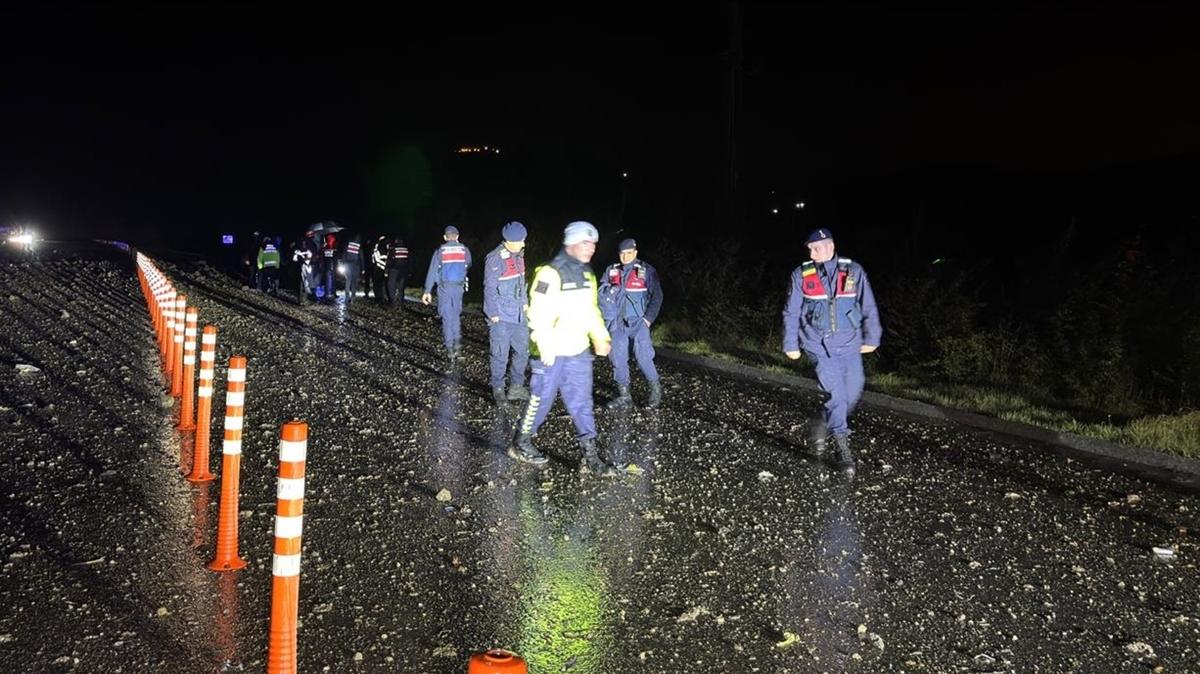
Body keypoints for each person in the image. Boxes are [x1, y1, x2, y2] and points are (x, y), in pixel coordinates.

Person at [510, 221, 618, 476]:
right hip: (551, 352)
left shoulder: (587, 274)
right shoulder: (550, 273)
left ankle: (590, 458)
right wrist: (544, 344)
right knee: (541, 399)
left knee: (582, 402)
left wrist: (600, 336)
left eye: (593, 243)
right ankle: (520, 442)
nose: (591, 248)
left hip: (578, 350)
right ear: (571, 243)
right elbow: (537, 312)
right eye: (585, 242)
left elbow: (591, 310)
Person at [782, 227, 882, 477]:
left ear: (830, 246)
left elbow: (867, 304)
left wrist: (873, 336)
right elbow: (791, 311)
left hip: (849, 343)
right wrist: (790, 344)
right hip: (817, 343)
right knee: (837, 394)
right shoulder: (801, 275)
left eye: (816, 248)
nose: (812, 253)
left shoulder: (853, 271)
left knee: (853, 389)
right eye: (810, 249)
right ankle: (841, 446)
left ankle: (821, 424)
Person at [599, 238, 664, 409]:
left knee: (643, 356)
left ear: (635, 253)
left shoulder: (646, 271)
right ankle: (624, 396)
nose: (626, 257)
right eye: (622, 253)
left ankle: (655, 389)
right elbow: (601, 295)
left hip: (638, 321)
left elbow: (657, 296)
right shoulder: (612, 271)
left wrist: (647, 320)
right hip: (617, 323)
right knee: (618, 358)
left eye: (629, 253)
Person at [483, 221, 531, 405]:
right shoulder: (495, 258)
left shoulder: (519, 255)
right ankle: (498, 388)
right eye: (521, 241)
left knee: (522, 351)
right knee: (500, 353)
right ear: (510, 241)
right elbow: (489, 288)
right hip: (501, 316)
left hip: (519, 314)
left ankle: (516, 387)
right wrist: (492, 313)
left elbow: (521, 283)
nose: (524, 244)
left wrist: (525, 304)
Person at [422, 226, 472, 360]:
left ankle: (450, 350)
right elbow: (469, 264)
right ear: (457, 236)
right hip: (459, 287)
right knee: (455, 316)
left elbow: (432, 271)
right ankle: (458, 348)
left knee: (446, 317)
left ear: (445, 237)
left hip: (445, 288)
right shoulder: (464, 250)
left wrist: (427, 290)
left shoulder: (440, 251)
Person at [340, 234, 364, 305]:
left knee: (348, 280)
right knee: (354, 282)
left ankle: (347, 297)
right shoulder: (359, 247)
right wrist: (363, 268)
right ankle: (353, 297)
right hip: (356, 266)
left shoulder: (348, 245)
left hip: (348, 265)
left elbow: (344, 254)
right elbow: (361, 258)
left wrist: (343, 263)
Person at [387, 236, 410, 307]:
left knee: (391, 285)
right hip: (403, 270)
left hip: (394, 269)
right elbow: (409, 260)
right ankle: (400, 301)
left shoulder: (393, 249)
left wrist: (386, 269)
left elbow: (389, 260)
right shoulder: (406, 249)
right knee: (401, 286)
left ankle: (393, 300)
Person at [370, 235, 389, 303]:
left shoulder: (377, 247)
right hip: (384, 268)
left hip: (377, 267)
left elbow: (374, 258)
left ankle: (378, 298)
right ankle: (383, 298)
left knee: (377, 284)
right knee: (382, 283)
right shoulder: (387, 248)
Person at [321, 232, 338, 303]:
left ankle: (329, 292)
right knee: (331, 278)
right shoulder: (332, 240)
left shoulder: (326, 242)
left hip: (328, 262)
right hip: (332, 262)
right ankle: (331, 292)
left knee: (328, 278)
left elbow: (323, 254)